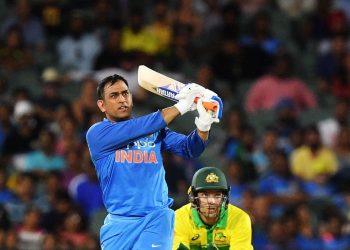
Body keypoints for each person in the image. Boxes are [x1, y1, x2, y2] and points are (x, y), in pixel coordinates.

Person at [86, 74, 222, 249]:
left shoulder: (154, 130)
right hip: (118, 225)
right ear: (101, 105)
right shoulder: (97, 134)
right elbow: (138, 127)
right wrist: (181, 106)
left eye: (125, 93)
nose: (122, 99)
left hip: (156, 219)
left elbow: (190, 149)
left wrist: (204, 125)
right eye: (114, 95)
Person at [173, 166, 253, 250]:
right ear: (193, 197)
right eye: (205, 195)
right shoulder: (179, 218)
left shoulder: (239, 218)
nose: (212, 201)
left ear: (224, 198)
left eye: (217, 195)